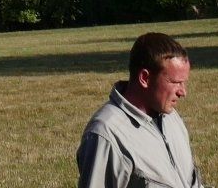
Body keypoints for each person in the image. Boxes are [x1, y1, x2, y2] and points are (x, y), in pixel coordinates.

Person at [75, 32, 204, 188]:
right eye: (175, 82)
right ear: (145, 78)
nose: (183, 92)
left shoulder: (170, 117)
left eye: (184, 83)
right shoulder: (106, 134)